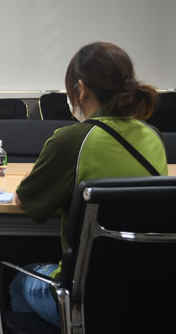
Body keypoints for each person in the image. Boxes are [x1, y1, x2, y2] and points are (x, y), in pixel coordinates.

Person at [10, 42, 168, 327]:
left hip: (84, 296)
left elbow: (26, 200)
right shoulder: (153, 135)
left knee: (18, 280)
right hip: (154, 290)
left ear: (80, 90)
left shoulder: (72, 139)